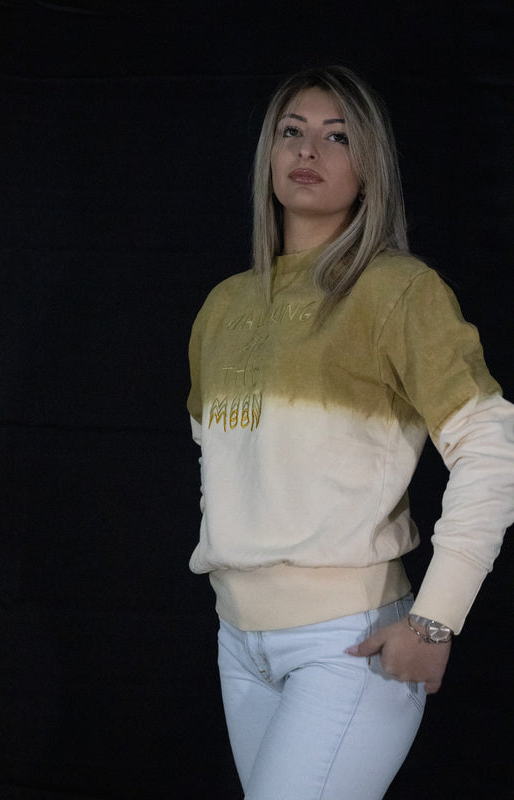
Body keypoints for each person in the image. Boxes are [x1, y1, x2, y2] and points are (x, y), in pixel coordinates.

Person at [186, 65, 514, 799]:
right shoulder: (223, 307)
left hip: (348, 642)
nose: (308, 150)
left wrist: (435, 621)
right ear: (269, 153)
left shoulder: (397, 291)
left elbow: (493, 448)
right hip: (239, 643)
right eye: (292, 131)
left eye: (338, 137)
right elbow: (218, 464)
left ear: (370, 168)